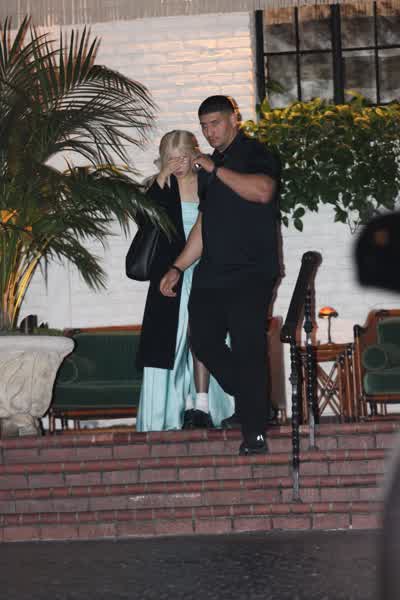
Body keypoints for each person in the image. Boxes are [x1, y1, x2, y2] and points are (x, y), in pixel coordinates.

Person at [160, 96, 281, 455]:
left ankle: (254, 434)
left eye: (215, 123)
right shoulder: (208, 170)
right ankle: (253, 398)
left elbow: (262, 192)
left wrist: (214, 169)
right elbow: (203, 224)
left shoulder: (256, 152)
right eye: (204, 126)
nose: (209, 132)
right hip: (212, 272)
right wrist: (178, 266)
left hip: (251, 272)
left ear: (233, 119)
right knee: (203, 342)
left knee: (247, 347)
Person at [136, 130, 233, 432]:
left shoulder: (209, 182)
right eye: (170, 158)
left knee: (203, 335)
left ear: (194, 154)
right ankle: (169, 412)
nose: (178, 164)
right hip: (171, 274)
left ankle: (204, 405)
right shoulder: (159, 187)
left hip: (207, 271)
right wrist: (162, 176)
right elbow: (144, 220)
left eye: (182, 157)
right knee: (169, 342)